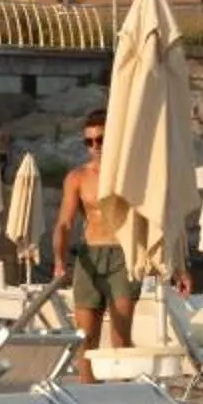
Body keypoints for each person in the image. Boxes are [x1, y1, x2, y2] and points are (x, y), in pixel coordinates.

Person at [51, 109, 132, 380]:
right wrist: (60, 261)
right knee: (85, 339)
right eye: (89, 141)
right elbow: (64, 223)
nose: (95, 147)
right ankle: (88, 395)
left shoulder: (128, 175)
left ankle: (123, 397)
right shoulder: (77, 178)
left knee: (120, 337)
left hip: (122, 255)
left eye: (101, 140)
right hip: (89, 256)